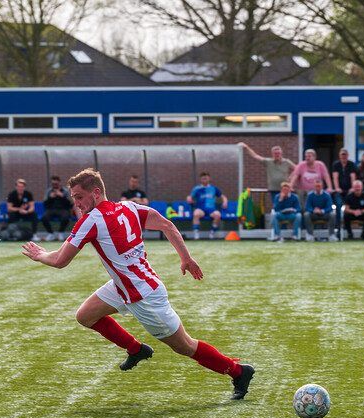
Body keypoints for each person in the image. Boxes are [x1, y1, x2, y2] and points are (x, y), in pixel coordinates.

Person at [21, 168, 255, 399]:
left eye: (80, 197)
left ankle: (238, 372)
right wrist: (185, 257)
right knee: (85, 316)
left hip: (143, 296)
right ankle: (136, 349)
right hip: (125, 285)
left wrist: (39, 255)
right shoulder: (129, 207)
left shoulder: (92, 221)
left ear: (95, 192)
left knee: (185, 346)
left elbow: (60, 260)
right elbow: (167, 225)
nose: (77, 203)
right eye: (74, 199)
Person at [187, 172, 226, 240]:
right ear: (200, 179)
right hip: (200, 209)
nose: (204, 179)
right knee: (196, 214)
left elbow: (223, 197)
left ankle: (212, 232)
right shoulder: (197, 189)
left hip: (211, 209)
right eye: (203, 178)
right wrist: (189, 199)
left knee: (218, 215)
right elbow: (190, 197)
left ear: (209, 178)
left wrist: (225, 202)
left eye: (206, 178)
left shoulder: (214, 188)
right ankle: (196, 233)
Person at [331, 148, 357, 231]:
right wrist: (337, 188)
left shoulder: (351, 164)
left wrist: (352, 188)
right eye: (342, 155)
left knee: (348, 207)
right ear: (339, 155)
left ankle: (347, 226)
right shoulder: (336, 165)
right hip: (339, 191)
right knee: (338, 205)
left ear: (347, 155)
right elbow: (335, 177)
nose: (343, 156)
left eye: (345, 155)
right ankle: (338, 226)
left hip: (349, 190)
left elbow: (353, 177)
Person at [41, 175, 73, 241]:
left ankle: (61, 232)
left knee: (66, 217)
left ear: (59, 183)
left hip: (63, 209)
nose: (55, 185)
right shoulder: (49, 191)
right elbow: (45, 204)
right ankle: (51, 233)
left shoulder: (65, 191)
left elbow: (70, 204)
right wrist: (50, 197)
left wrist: (62, 196)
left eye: (56, 183)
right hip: (51, 209)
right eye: (53, 184)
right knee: (44, 218)